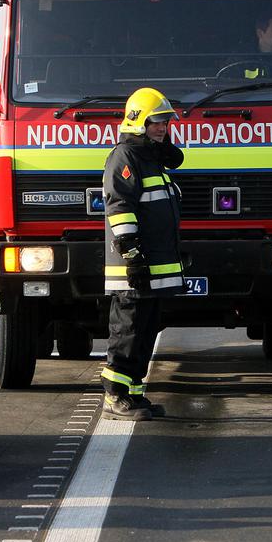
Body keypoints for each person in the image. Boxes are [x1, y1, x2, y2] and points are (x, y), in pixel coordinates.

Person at [100, 87, 185, 421]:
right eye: (155, 123)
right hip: (133, 267)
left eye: (164, 123)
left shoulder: (150, 159)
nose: (162, 128)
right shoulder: (125, 157)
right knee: (128, 330)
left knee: (146, 330)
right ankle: (115, 398)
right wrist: (132, 256)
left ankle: (134, 394)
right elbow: (120, 209)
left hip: (153, 267)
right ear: (138, 123)